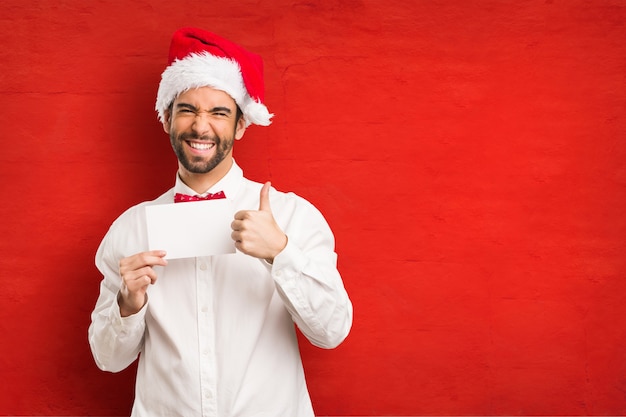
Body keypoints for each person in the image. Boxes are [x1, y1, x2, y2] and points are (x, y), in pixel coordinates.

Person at [88, 27, 353, 417]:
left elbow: (331, 332)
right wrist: (128, 303)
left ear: (241, 125)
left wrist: (281, 253)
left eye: (218, 112)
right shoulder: (130, 229)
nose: (201, 126)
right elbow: (108, 359)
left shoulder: (292, 216)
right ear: (166, 119)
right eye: (188, 110)